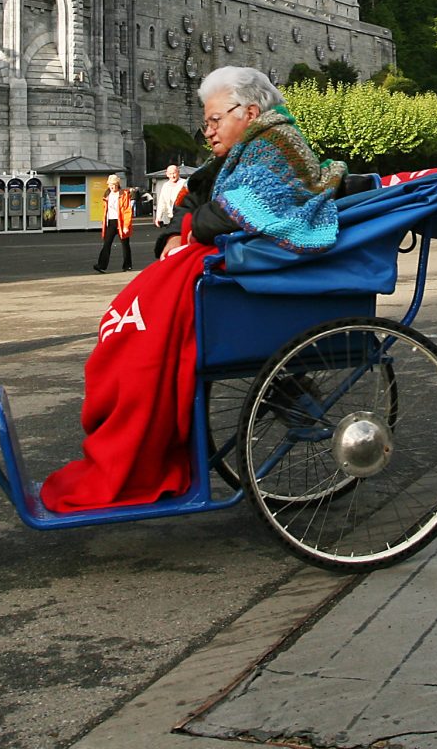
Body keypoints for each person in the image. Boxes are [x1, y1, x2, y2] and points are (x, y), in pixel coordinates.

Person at [42, 68, 342, 512]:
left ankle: (131, 447)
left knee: (139, 339)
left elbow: (248, 207)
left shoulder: (276, 144)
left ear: (250, 112)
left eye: (215, 120)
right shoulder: (244, 149)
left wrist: (190, 231)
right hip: (225, 273)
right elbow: (199, 200)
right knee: (132, 327)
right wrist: (175, 236)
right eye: (206, 122)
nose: (208, 131)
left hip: (246, 282)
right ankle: (125, 431)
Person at [90, 174, 135, 272]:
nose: (112, 187)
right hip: (110, 222)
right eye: (110, 185)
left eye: (114, 185)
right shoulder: (107, 194)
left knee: (125, 245)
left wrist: (126, 225)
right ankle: (101, 265)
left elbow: (127, 210)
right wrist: (104, 222)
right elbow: (105, 209)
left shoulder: (123, 194)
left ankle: (127, 266)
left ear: (118, 184)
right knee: (107, 244)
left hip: (121, 222)